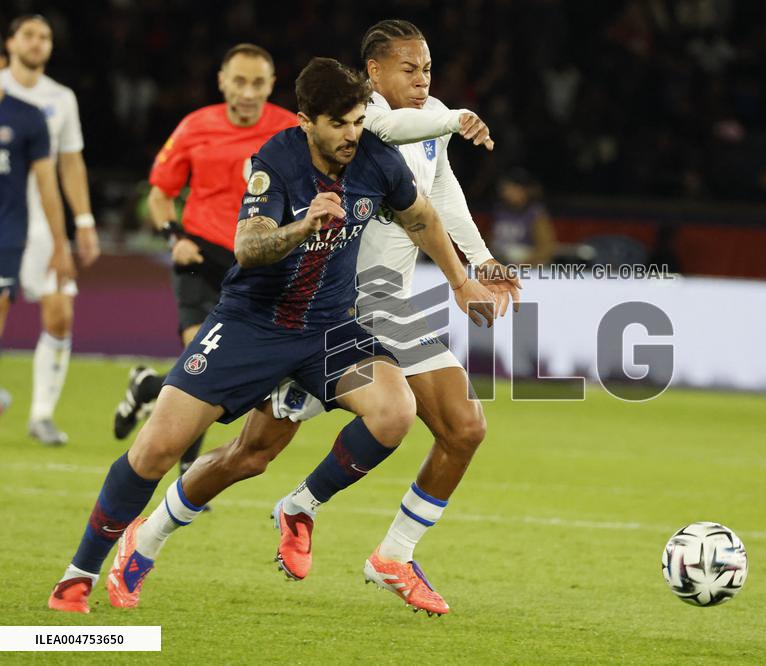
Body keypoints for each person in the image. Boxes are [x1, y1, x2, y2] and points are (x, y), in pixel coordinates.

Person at [47, 56, 497, 615]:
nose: (353, 135)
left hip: (329, 328)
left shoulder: (375, 159)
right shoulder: (277, 160)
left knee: (393, 412)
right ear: (308, 121)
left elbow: (423, 216)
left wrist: (461, 280)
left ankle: (302, 506)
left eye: (359, 121)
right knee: (164, 449)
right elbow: (248, 246)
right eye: (340, 124)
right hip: (252, 324)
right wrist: (303, 224)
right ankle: (83, 573)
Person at [110, 43, 297, 479]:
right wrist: (172, 236)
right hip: (200, 255)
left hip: (259, 265)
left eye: (257, 83)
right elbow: (160, 192)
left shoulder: (291, 132)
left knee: (221, 376)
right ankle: (188, 469)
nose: (248, 92)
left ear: (271, 84)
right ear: (222, 81)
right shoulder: (195, 127)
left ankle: (147, 387)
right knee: (199, 362)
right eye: (239, 81)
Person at [2, 14, 100, 444]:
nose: (38, 43)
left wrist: (83, 222)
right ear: (11, 42)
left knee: (60, 312)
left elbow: (70, 162)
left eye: (45, 37)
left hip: (44, 220)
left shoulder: (60, 98)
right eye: (29, 35)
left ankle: (41, 414)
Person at [1, 78, 75, 419]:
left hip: (25, 227)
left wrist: (69, 237)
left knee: (58, 313)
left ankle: (41, 415)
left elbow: (56, 176)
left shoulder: (36, 111)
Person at [491, 167, 556, 265]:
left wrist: (525, 261)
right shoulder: (500, 211)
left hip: (526, 267)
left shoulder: (535, 214)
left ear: (523, 190)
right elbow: (490, 240)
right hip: (499, 263)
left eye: (511, 189)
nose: (506, 193)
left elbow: (546, 249)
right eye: (504, 189)